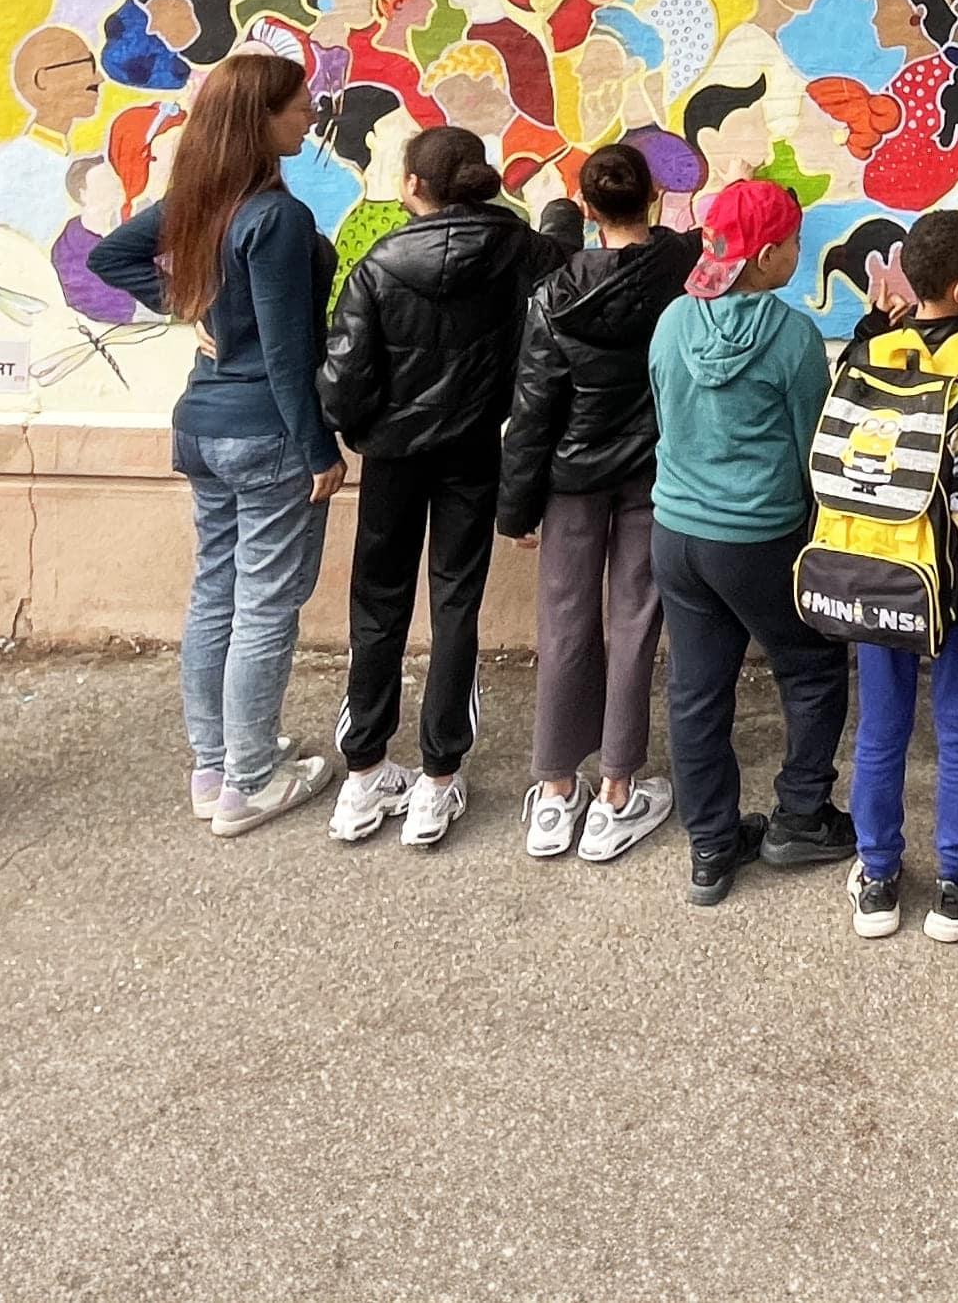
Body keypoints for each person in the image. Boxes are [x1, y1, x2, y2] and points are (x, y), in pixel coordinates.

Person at [91, 51, 347, 837]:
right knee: (265, 604)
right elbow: (284, 351)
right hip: (266, 435)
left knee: (216, 594)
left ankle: (215, 763)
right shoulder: (276, 219)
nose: (310, 117)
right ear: (261, 119)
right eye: (299, 106)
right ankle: (250, 780)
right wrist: (319, 451)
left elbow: (113, 255)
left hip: (203, 427)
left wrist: (190, 305)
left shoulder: (203, 202)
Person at [314, 124, 560, 849]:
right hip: (474, 453)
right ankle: (438, 779)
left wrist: (361, 427)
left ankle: (363, 775)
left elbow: (342, 381)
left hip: (392, 457)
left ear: (413, 185)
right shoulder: (520, 248)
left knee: (377, 606)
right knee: (456, 604)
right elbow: (573, 268)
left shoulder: (379, 264)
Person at [647, 177, 846, 906]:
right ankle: (801, 814)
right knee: (812, 666)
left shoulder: (671, 321)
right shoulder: (792, 340)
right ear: (765, 257)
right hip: (760, 534)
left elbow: (665, 417)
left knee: (696, 690)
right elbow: (810, 450)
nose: (799, 250)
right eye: (794, 242)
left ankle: (710, 844)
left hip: (677, 532)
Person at [502, 141, 701, 864]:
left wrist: (516, 507)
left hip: (571, 476)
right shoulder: (682, 267)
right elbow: (720, 243)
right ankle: (618, 790)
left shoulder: (554, 293)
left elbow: (533, 408)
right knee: (636, 619)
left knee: (564, 623)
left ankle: (557, 793)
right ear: (653, 198)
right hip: (654, 469)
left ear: (585, 209)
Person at [842, 209, 958, 943]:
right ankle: (956, 881)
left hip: (880, 564)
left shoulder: (869, 352)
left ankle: (878, 877)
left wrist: (873, 324)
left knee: (881, 727)